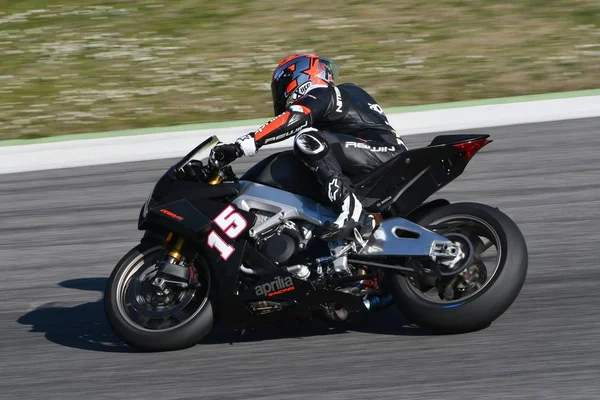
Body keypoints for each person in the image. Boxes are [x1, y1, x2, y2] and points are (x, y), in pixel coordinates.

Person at [209, 54, 407, 243]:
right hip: (374, 155)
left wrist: (241, 146)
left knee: (307, 139)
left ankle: (350, 210)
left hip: (384, 153)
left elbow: (297, 117)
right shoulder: (342, 98)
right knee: (309, 157)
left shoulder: (325, 93)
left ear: (300, 76)